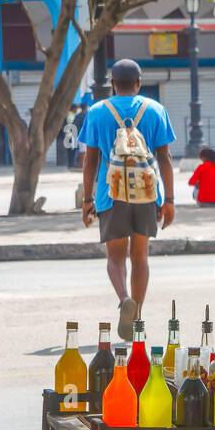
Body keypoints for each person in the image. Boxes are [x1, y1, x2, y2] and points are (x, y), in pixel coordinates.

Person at [78, 57, 176, 340]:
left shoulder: (97, 112)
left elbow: (90, 161)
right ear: (139, 83)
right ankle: (138, 317)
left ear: (112, 84)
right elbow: (165, 158)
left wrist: (87, 200)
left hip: (110, 195)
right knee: (140, 257)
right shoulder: (155, 110)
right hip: (147, 195)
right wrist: (169, 200)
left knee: (116, 258)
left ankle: (124, 300)